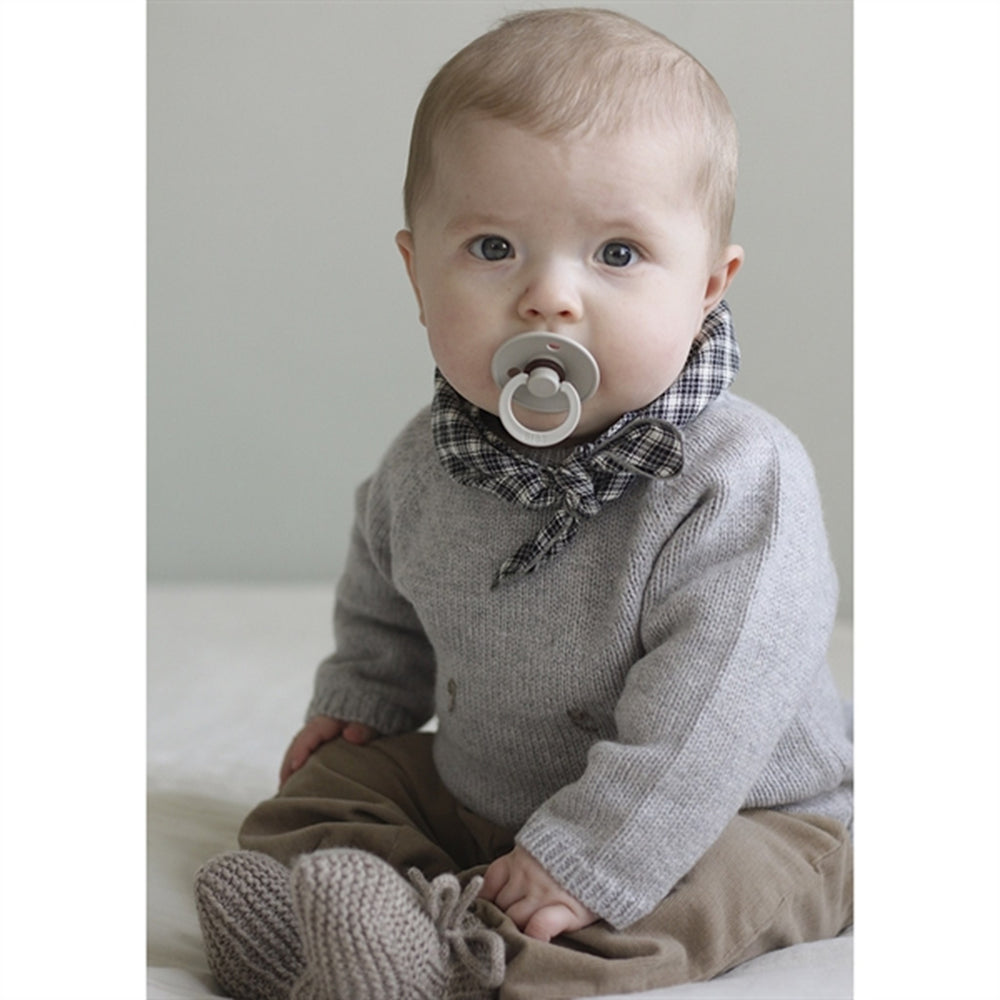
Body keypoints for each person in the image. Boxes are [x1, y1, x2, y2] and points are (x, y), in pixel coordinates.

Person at [194, 8, 853, 1000]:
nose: (549, 297)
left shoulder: (737, 478)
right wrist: (362, 701)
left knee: (682, 900)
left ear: (707, 289)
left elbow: (712, 711)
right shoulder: (429, 460)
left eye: (617, 254)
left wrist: (588, 854)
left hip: (731, 806)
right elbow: (386, 591)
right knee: (320, 797)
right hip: (494, 789)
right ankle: (333, 925)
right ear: (418, 274)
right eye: (494, 246)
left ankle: (450, 963)